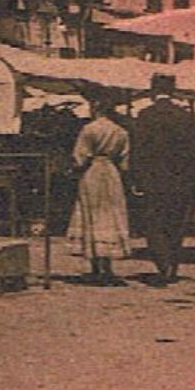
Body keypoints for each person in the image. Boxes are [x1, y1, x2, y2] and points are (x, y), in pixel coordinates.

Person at [130, 73, 195, 285]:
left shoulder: (145, 116)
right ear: (173, 91)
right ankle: (172, 262)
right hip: (182, 182)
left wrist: (137, 179)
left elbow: (139, 151)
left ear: (153, 91)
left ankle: (163, 264)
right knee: (176, 223)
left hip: (154, 181)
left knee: (154, 223)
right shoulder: (186, 116)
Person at [66, 92, 132, 286]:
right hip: (112, 174)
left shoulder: (89, 129)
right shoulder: (121, 131)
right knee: (110, 215)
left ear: (96, 108)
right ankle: (107, 266)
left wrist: (73, 169)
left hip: (92, 172)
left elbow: (80, 157)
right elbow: (126, 162)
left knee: (91, 214)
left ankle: (95, 265)